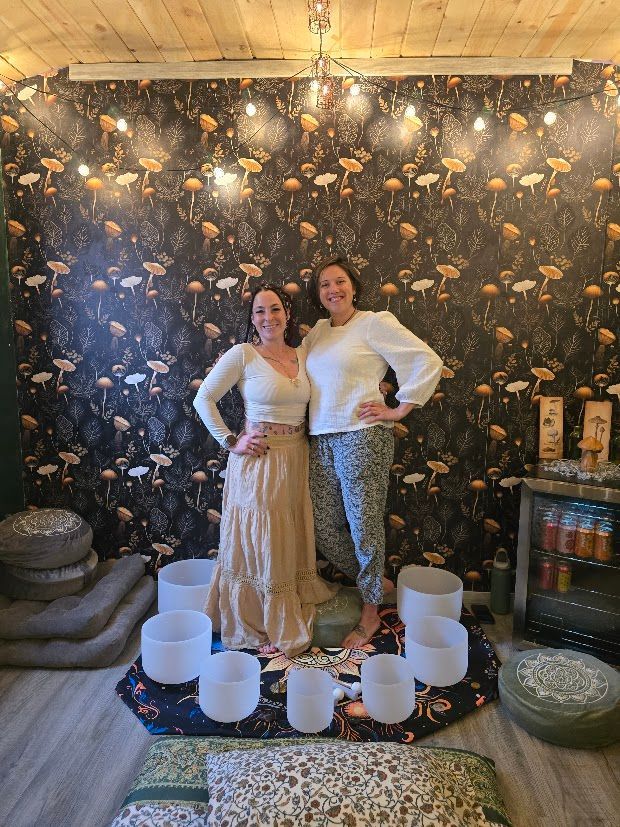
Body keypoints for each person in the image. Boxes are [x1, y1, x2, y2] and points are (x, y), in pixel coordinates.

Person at [303, 256, 443, 649]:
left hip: (363, 437)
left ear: (353, 286)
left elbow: (426, 361)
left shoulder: (374, 323)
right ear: (319, 294)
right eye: (325, 284)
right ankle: (375, 582)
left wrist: (399, 407)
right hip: (321, 439)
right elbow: (295, 371)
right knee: (323, 527)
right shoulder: (317, 333)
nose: (333, 289)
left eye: (340, 282)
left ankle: (370, 611)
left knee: (364, 528)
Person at [193, 283, 338, 658]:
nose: (268, 317)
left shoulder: (302, 354)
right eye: (259, 311)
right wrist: (230, 440)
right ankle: (259, 614)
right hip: (259, 461)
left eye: (275, 309)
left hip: (297, 456)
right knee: (264, 533)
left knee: (288, 528)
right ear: (252, 318)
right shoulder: (243, 354)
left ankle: (284, 596)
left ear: (287, 314)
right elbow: (203, 398)